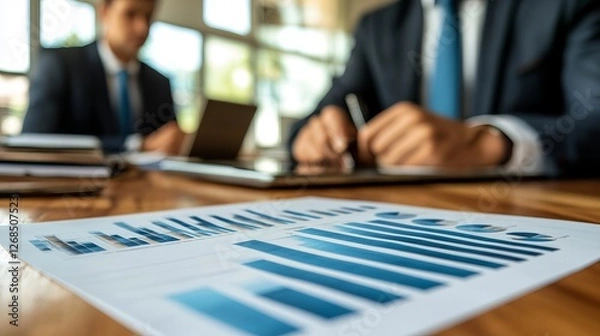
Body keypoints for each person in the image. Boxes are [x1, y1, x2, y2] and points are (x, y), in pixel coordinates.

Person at [290, 0, 600, 177]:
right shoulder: (378, 28)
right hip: (398, 216)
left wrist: (492, 144)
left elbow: (593, 118)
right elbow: (317, 118)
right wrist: (315, 137)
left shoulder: (561, 6)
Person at [22, 0, 184, 154]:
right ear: (104, 12)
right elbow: (34, 141)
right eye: (130, 14)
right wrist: (137, 146)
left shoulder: (160, 83)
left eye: (148, 17)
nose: (142, 28)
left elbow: (168, 143)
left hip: (147, 182)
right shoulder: (60, 65)